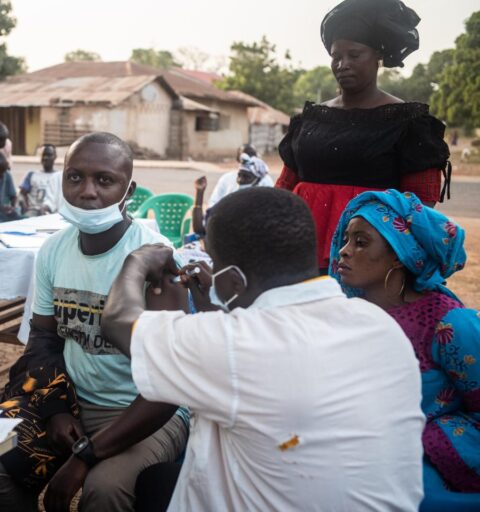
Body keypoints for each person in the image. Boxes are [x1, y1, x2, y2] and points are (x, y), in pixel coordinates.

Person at [101, 187, 426, 511]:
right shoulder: (380, 326)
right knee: (158, 481)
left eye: (214, 261)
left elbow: (118, 321)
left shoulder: (237, 346)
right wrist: (221, 311)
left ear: (233, 281)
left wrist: (137, 260)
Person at [0, 132, 189, 512]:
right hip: (75, 402)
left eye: (104, 180)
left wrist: (83, 458)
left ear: (128, 191)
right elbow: (44, 339)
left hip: (142, 410)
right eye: (75, 177)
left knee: (105, 490)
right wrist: (56, 407)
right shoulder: (53, 251)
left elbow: (169, 382)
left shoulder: (156, 258)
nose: (87, 191)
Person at [276, 0, 450, 273]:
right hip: (299, 247)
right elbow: (285, 185)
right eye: (336, 56)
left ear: (377, 57)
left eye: (354, 55)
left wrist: (380, 249)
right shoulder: (311, 119)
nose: (342, 64)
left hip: (368, 260)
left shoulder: (408, 122)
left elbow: (421, 202)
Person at [329, 189, 480, 494]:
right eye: (346, 240)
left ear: (400, 255)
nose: (344, 251)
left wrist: (423, 439)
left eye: (361, 242)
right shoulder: (345, 314)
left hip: (427, 470)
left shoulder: (449, 325)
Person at [191, 148, 273, 237]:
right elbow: (199, 229)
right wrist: (199, 193)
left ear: (257, 181)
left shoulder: (261, 208)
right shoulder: (228, 204)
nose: (240, 180)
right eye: (239, 176)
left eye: (246, 177)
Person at [19, 144, 62, 216]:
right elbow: (22, 194)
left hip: (53, 213)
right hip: (33, 211)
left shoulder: (60, 176)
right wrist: (23, 205)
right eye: (43, 155)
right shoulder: (32, 174)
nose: (45, 158)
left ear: (55, 157)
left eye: (49, 155)